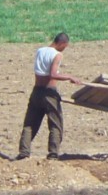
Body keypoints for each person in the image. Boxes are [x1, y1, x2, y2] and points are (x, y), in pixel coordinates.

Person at [17, 32, 75, 160]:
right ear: (61, 43)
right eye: (65, 46)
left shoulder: (40, 50)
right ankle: (53, 154)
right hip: (49, 93)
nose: (64, 49)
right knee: (55, 124)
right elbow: (53, 74)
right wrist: (70, 77)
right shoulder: (57, 55)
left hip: (36, 91)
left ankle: (23, 152)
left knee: (30, 124)